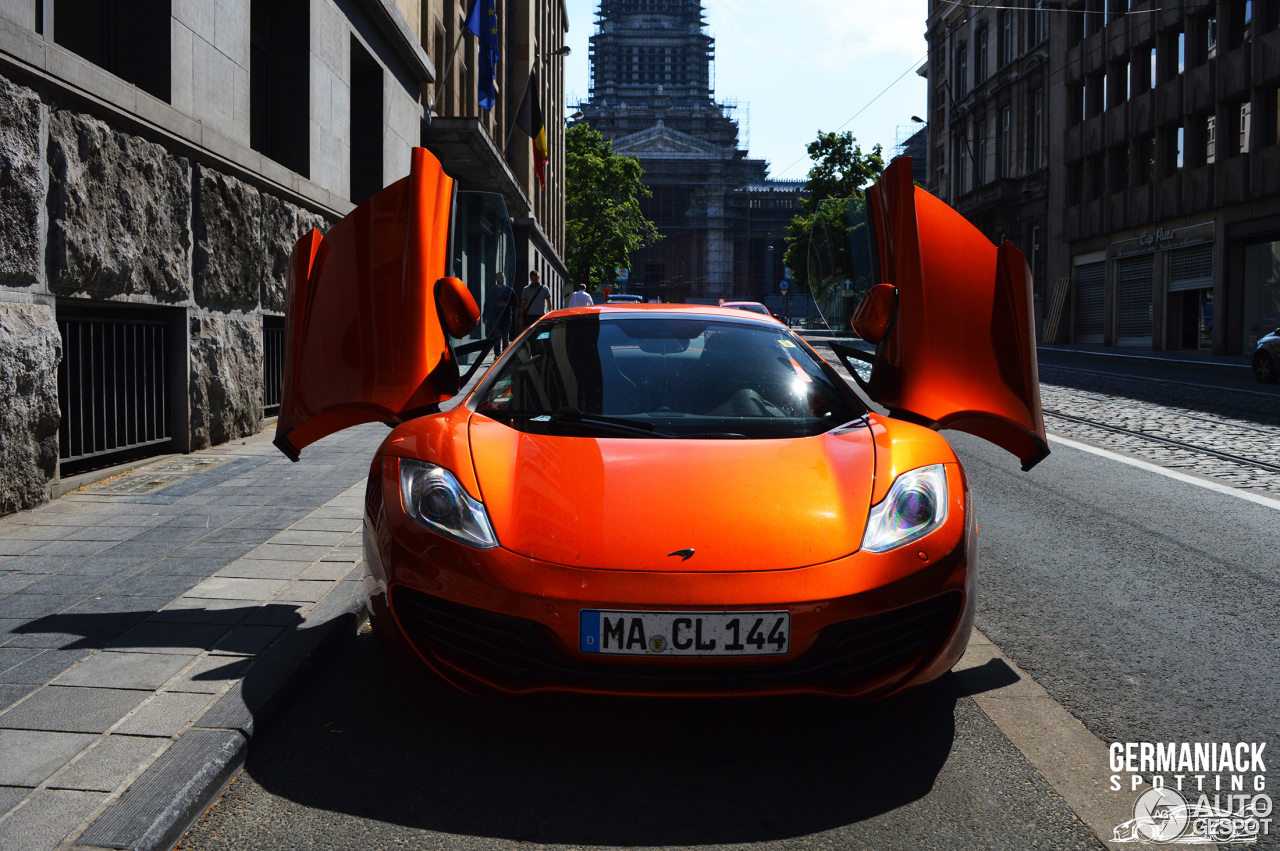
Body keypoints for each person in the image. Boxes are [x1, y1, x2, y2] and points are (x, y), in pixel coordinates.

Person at [484, 272, 514, 353]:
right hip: (495, 317)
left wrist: (506, 304)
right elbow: (487, 304)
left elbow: (516, 302)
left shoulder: (509, 290)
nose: (501, 279)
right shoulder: (492, 291)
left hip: (506, 317)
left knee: (505, 338)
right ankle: (497, 354)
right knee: (496, 337)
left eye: (502, 277)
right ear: (496, 278)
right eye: (499, 277)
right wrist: (485, 317)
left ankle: (505, 355)